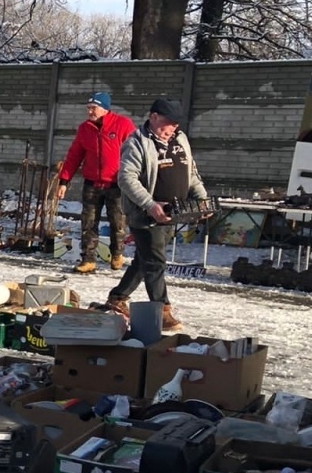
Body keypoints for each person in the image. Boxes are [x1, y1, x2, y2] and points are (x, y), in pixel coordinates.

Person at [106, 97, 208, 333]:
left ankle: (117, 297)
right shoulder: (136, 143)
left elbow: (191, 173)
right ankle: (162, 310)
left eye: (176, 124)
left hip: (174, 212)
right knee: (155, 262)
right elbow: (126, 179)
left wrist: (201, 198)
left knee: (145, 260)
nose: (173, 128)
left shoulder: (180, 139)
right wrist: (150, 204)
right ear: (153, 117)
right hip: (146, 214)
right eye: (168, 123)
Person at [56, 91, 135, 274]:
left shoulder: (123, 125)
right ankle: (88, 259)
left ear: (105, 109)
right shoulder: (85, 128)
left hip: (117, 183)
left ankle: (117, 255)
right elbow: (74, 155)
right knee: (88, 223)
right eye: (88, 108)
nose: (90, 111)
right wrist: (64, 180)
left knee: (118, 222)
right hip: (92, 183)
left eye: (94, 108)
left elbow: (135, 152)